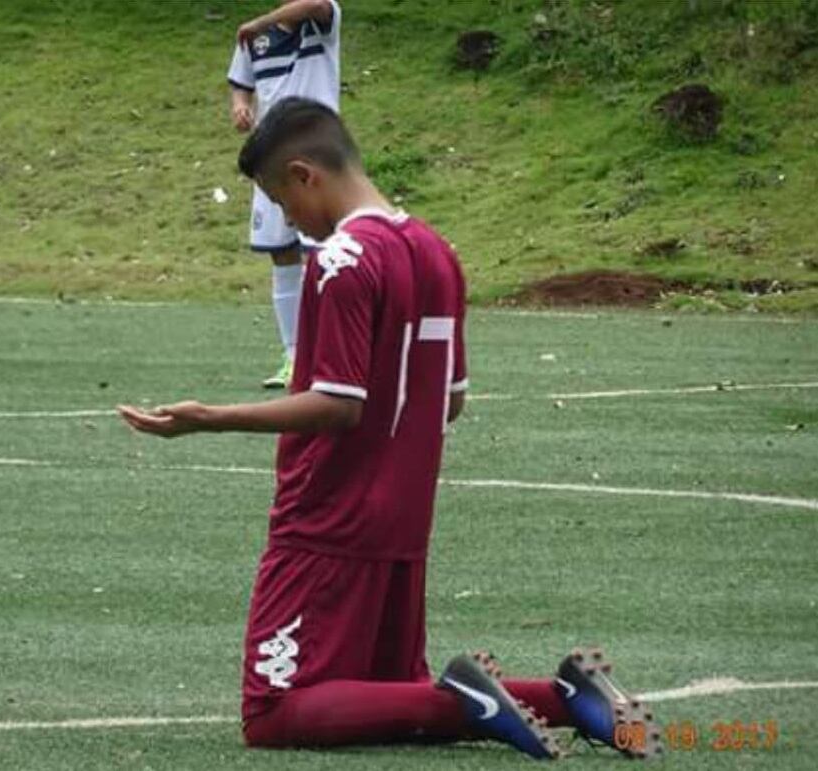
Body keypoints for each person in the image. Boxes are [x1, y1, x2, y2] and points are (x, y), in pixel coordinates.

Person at [120, 98, 659, 760]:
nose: (287, 220)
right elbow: (449, 399)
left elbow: (337, 403)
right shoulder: (436, 252)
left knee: (274, 711)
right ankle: (564, 696)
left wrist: (209, 419)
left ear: (303, 174)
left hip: (326, 519)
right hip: (403, 520)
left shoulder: (342, 259)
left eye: (279, 201)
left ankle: (476, 698)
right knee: (381, 694)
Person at [227, 0, 341, 389]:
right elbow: (240, 85)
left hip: (316, 153)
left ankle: (327, 356)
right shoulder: (252, 41)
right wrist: (241, 108)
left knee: (321, 254)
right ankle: (293, 356)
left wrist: (261, 21)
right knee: (281, 252)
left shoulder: (321, 23)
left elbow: (317, 5)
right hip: (270, 155)